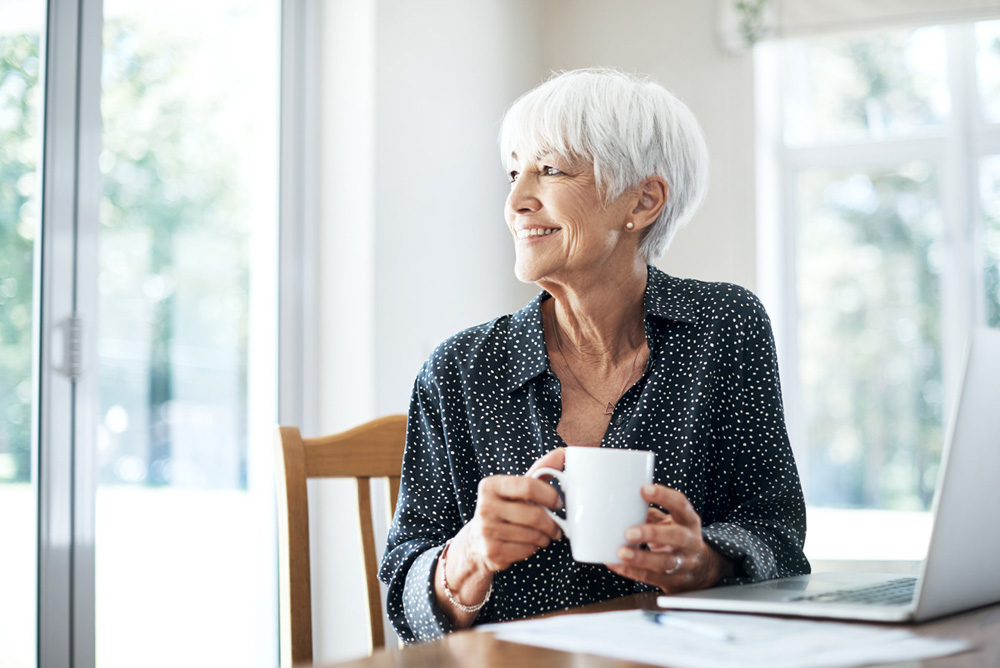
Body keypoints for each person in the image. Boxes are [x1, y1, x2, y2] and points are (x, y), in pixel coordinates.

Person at [378, 68, 809, 644]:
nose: (515, 201)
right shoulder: (460, 368)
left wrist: (704, 560)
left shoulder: (724, 327)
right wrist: (467, 556)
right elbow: (403, 596)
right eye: (513, 173)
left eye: (550, 170)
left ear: (644, 200)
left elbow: (778, 537)